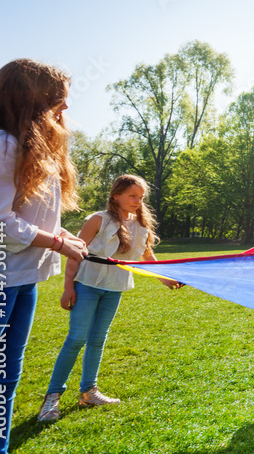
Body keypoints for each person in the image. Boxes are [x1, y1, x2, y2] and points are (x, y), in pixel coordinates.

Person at [0, 59, 89, 453]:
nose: (65, 107)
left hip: (20, 280)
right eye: (59, 98)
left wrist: (60, 233)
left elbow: (27, 216)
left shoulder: (32, 150)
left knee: (2, 380)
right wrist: (56, 243)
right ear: (32, 99)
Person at [37, 174, 180, 421]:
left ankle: (89, 392)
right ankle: (53, 397)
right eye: (132, 196)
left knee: (98, 339)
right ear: (116, 196)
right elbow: (75, 254)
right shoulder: (97, 220)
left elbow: (147, 257)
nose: (138, 201)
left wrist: (165, 278)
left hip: (115, 287)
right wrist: (68, 287)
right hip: (87, 284)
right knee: (76, 339)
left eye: (141, 197)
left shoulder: (141, 224)